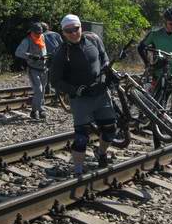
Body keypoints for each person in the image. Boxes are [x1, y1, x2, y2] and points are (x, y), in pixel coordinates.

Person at [49, 14, 116, 176]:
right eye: (68, 30)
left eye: (76, 29)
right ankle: (78, 170)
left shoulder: (94, 39)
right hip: (81, 98)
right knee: (81, 138)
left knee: (110, 129)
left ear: (81, 28)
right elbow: (55, 81)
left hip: (101, 93)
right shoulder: (61, 53)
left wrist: (108, 70)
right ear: (63, 33)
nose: (73, 33)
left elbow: (103, 56)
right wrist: (76, 90)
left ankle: (101, 153)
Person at [15, 22, 49, 120]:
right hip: (33, 68)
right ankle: (34, 111)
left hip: (43, 68)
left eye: (40, 33)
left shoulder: (42, 37)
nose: (39, 34)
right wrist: (30, 56)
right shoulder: (27, 40)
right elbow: (18, 52)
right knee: (38, 90)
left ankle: (41, 109)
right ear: (32, 32)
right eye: (37, 33)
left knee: (43, 91)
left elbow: (44, 50)